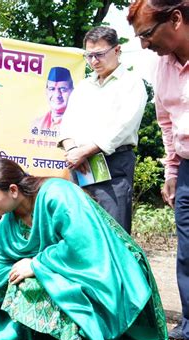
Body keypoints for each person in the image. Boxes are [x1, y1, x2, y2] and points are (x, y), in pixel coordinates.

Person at [0, 158, 168, 340]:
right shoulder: (5, 227)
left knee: (36, 280)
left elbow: (83, 245)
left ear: (13, 190)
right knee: (22, 283)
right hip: (66, 270)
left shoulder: (57, 194)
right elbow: (0, 278)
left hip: (104, 267)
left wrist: (36, 264)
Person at [128, 0, 189, 340]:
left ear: (177, 18)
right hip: (187, 168)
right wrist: (171, 169)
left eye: (148, 34)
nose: (145, 45)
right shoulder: (162, 65)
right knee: (187, 258)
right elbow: (166, 119)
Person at [59, 26, 148, 234]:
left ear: (117, 50)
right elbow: (67, 123)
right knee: (80, 230)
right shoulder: (83, 87)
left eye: (99, 54)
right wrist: (73, 151)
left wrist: (85, 151)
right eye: (89, 56)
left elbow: (123, 126)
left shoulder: (131, 83)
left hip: (113, 165)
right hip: (79, 166)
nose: (93, 61)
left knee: (112, 231)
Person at [30, 66, 74, 135]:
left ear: (72, 91)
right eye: (52, 89)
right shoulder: (36, 124)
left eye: (63, 89)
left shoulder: (77, 124)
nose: (57, 95)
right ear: (46, 91)